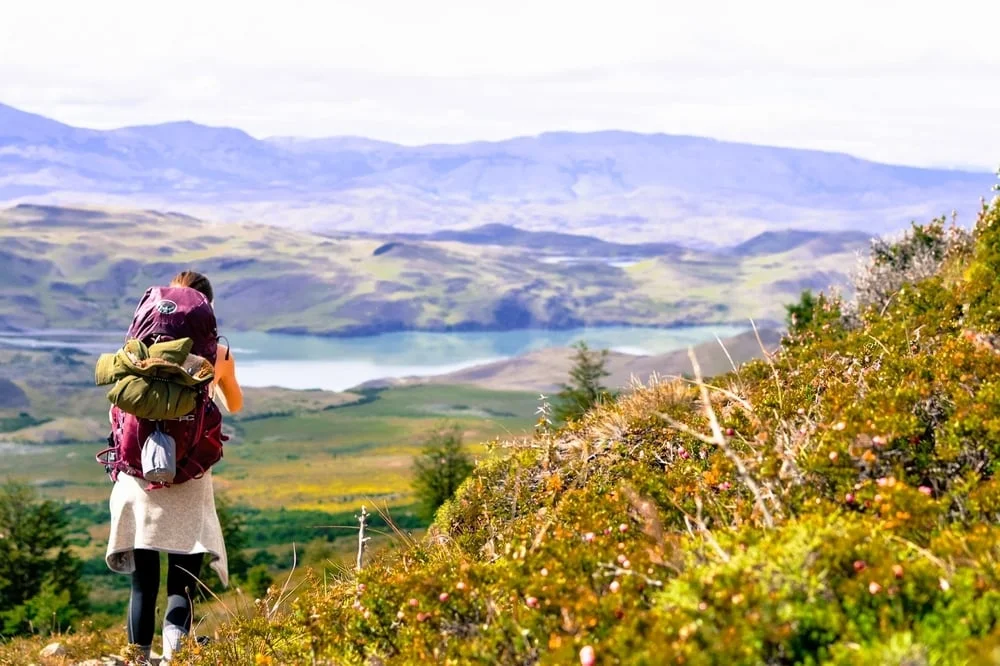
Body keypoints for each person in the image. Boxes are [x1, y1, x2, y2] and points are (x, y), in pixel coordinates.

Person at [104, 270, 242, 663]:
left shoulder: (134, 352)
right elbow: (234, 404)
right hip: (190, 476)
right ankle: (174, 658)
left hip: (137, 477)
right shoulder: (215, 355)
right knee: (182, 582)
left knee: (142, 584)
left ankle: (137, 658)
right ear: (206, 310)